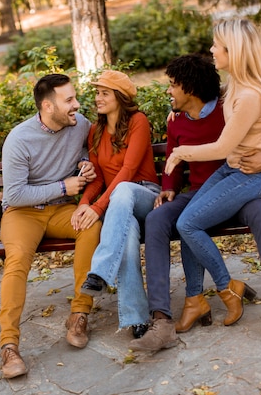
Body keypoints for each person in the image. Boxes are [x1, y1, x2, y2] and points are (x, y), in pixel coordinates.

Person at [129, 53, 261, 355]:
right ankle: (161, 322)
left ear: (190, 87)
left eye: (172, 85)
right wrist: (169, 188)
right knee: (158, 219)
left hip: (241, 190)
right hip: (198, 194)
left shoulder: (231, 109)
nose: (168, 91)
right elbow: (174, 162)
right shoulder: (177, 120)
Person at [0, 73, 101, 379]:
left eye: (75, 98)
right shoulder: (19, 139)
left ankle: (79, 314)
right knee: (16, 263)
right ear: (47, 106)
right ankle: (9, 346)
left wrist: (85, 163)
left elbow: (86, 151)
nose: (76, 105)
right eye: (69, 100)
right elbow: (14, 193)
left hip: (60, 212)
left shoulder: (79, 125)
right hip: (22, 213)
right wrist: (62, 186)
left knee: (89, 226)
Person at [73, 70, 160, 337]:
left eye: (104, 93)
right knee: (128, 234)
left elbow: (129, 170)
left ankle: (99, 271)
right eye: (96, 93)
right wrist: (84, 203)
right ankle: (137, 318)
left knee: (123, 188)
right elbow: (97, 178)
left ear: (120, 97)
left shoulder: (138, 121)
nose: (97, 98)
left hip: (145, 196)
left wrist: (99, 208)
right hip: (119, 207)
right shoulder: (96, 131)